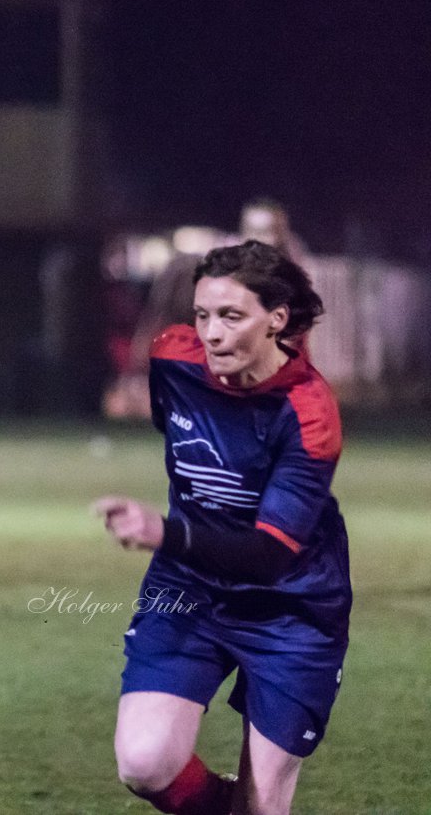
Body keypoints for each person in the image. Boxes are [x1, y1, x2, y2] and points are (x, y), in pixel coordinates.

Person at [94, 240, 349, 815]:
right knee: (144, 762)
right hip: (189, 591)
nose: (211, 334)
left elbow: (267, 555)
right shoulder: (173, 361)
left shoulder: (309, 414)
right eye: (203, 315)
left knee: (263, 806)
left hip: (291, 608)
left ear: (276, 320)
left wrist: (167, 532)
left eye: (232, 317)